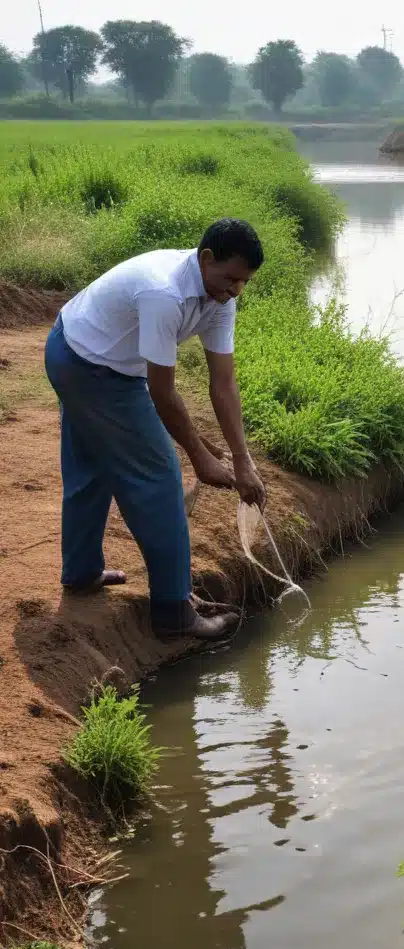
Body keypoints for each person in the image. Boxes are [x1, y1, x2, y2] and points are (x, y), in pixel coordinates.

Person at [44, 218, 268, 641]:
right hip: (86, 363)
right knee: (159, 477)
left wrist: (243, 460)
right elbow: (161, 391)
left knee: (91, 469)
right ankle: (173, 610)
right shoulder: (163, 292)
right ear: (205, 260)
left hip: (89, 354)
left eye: (245, 282)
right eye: (230, 278)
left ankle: (81, 573)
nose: (236, 289)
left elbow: (222, 383)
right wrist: (198, 455)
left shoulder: (220, 298)